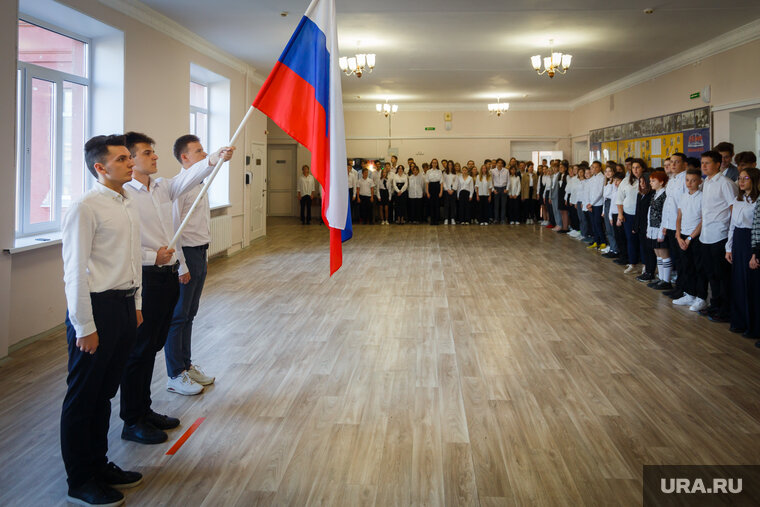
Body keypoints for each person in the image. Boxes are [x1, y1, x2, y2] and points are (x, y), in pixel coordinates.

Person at [120, 132, 233, 445]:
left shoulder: (161, 188)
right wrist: (155, 258)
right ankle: (132, 418)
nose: (154, 157)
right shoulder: (125, 194)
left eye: (154, 152)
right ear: (131, 160)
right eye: (146, 153)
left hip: (164, 275)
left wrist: (213, 159)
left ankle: (144, 410)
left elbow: (190, 175)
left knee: (151, 347)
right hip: (143, 276)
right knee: (139, 350)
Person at [61, 134, 144, 506]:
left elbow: (130, 260)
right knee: (84, 398)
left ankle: (99, 463)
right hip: (96, 310)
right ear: (100, 167)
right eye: (123, 159)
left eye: (130, 157)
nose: (131, 163)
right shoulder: (86, 206)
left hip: (125, 307)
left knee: (105, 394)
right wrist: (84, 326)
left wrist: (137, 303)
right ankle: (80, 479)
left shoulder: (126, 203)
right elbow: (75, 272)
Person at [165, 134, 232, 396]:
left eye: (204, 151)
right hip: (187, 256)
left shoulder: (202, 183)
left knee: (190, 314)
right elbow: (174, 230)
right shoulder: (178, 188)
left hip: (200, 252)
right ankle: (175, 373)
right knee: (178, 315)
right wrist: (181, 265)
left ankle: (186, 365)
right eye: (199, 151)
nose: (204, 154)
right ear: (185, 157)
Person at [698, 150, 739, 322]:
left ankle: (725, 309)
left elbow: (734, 210)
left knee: (722, 275)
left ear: (717, 164)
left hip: (720, 235)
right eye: (702, 163)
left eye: (707, 163)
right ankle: (714, 305)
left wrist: (730, 238)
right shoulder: (706, 182)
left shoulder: (726, 183)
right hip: (705, 235)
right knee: (711, 274)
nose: (704, 166)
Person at [725, 167, 760, 333]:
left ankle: (754, 325)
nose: (741, 182)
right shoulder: (738, 199)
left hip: (750, 240)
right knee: (738, 282)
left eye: (745, 178)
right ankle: (740, 321)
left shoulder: (757, 201)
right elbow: (732, 225)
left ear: (754, 180)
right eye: (740, 178)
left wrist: (755, 253)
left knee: (752, 283)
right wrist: (729, 247)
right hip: (738, 240)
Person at [673, 169, 707, 312]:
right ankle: (690, 293)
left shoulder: (702, 197)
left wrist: (689, 238)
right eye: (687, 180)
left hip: (696, 237)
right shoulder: (683, 196)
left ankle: (701, 297)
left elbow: (703, 220)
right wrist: (678, 235)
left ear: (700, 181)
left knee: (699, 268)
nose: (690, 183)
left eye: (693, 180)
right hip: (683, 237)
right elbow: (679, 216)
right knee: (686, 267)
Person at [661, 153, 688, 300]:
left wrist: (678, 229)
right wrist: (665, 224)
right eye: (671, 162)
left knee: (682, 260)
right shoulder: (671, 180)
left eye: (676, 162)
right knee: (676, 258)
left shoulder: (685, 179)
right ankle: (678, 287)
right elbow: (668, 204)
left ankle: (684, 289)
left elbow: (683, 206)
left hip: (681, 226)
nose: (673, 165)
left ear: (684, 164)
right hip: (670, 224)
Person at [617, 159, 646, 274]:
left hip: (643, 216)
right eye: (633, 168)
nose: (635, 170)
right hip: (629, 214)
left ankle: (645, 265)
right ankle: (632, 263)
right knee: (631, 239)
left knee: (643, 241)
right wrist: (620, 214)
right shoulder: (626, 181)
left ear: (643, 168)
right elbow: (619, 199)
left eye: (638, 167)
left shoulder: (647, 179)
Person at [646, 170, 672, 290]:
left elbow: (665, 213)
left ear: (661, 182)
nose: (650, 183)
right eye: (650, 181)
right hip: (653, 227)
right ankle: (661, 278)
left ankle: (666, 280)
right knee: (657, 253)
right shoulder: (654, 194)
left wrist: (662, 230)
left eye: (653, 181)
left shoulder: (664, 195)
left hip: (660, 227)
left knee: (664, 253)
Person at [586, 161, 606, 250]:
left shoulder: (602, 177)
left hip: (598, 204)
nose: (594, 169)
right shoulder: (592, 178)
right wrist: (589, 204)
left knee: (598, 224)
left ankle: (603, 241)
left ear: (600, 168)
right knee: (593, 224)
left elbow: (600, 192)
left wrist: (592, 203)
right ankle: (596, 241)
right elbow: (589, 192)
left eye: (596, 167)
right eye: (592, 167)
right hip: (591, 204)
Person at [426, 158, 443, 225]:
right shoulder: (428, 172)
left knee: (437, 205)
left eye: (435, 162)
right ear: (431, 163)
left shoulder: (439, 171)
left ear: (437, 164)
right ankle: (432, 220)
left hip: (437, 187)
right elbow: (427, 183)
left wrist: (441, 191)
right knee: (431, 205)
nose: (434, 164)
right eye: (433, 162)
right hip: (431, 187)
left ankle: (436, 220)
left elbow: (441, 182)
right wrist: (427, 192)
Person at [491, 158, 509, 224]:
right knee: (496, 205)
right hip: (496, 188)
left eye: (501, 163)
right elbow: (491, 181)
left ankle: (503, 219)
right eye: (498, 163)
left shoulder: (506, 171)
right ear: (496, 163)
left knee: (503, 205)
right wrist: (493, 189)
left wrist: (507, 189)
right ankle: (496, 219)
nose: (500, 164)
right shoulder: (492, 171)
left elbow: (508, 180)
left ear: (503, 164)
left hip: (503, 188)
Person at [442, 160, 457, 225]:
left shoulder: (455, 173)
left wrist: (453, 189)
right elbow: (443, 182)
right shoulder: (445, 173)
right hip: (446, 191)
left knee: (453, 205)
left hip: (453, 191)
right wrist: (447, 189)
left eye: (451, 164)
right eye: (449, 164)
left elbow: (456, 182)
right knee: (446, 205)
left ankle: (452, 218)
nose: (450, 166)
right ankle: (446, 219)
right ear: (447, 165)